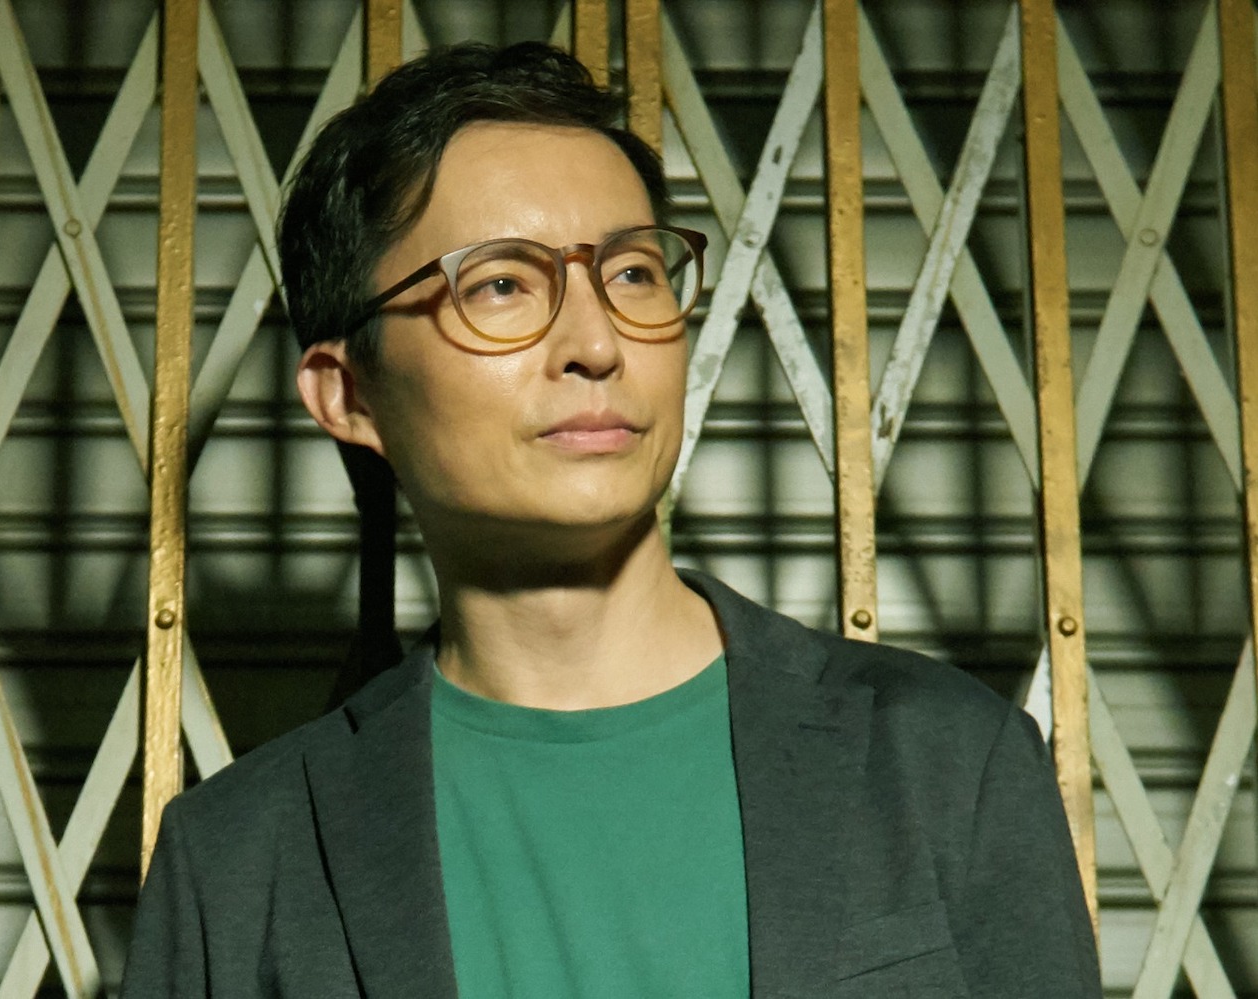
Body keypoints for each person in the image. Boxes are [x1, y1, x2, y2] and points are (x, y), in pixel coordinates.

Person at [122, 41, 1101, 999]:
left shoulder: (944, 762)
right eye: (500, 284)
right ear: (349, 395)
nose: (595, 342)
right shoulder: (239, 863)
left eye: (633, 274)